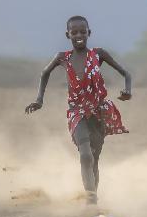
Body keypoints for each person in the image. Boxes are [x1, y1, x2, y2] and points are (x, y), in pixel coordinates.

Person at [25, 16, 132, 205]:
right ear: (68, 35)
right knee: (85, 155)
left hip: (99, 112)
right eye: (74, 32)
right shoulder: (62, 58)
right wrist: (39, 100)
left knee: (95, 159)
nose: (79, 35)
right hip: (77, 113)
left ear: (89, 33)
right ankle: (90, 202)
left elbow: (126, 73)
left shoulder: (99, 55)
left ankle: (93, 199)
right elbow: (44, 73)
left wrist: (127, 91)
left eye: (83, 31)